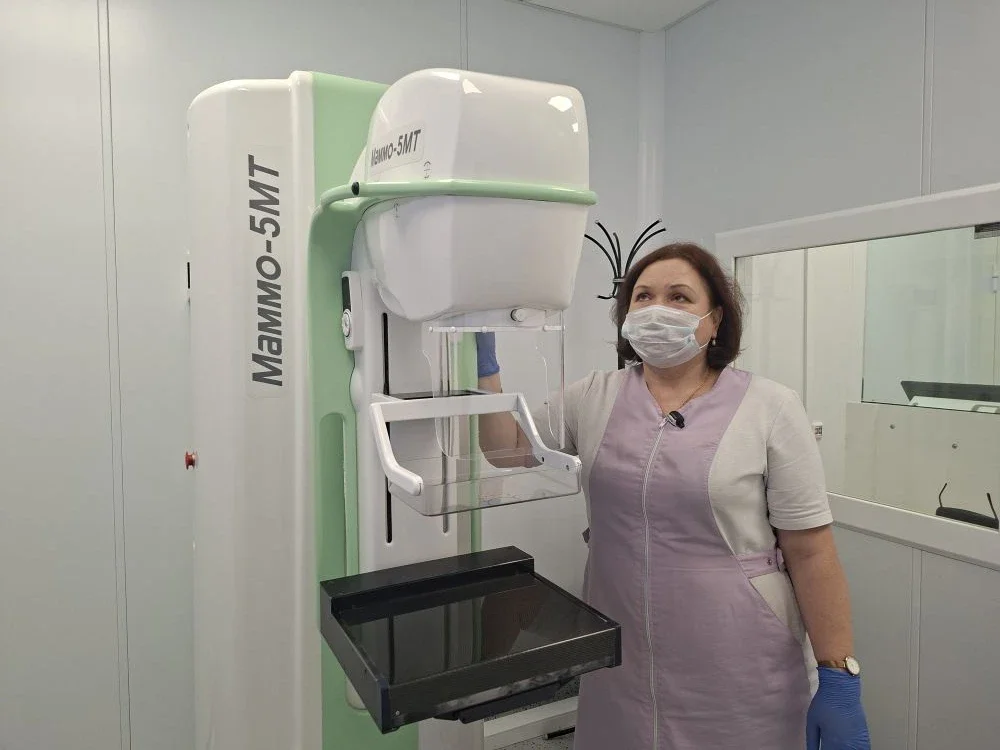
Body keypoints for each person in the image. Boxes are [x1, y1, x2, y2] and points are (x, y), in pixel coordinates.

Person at [474, 242, 871, 750]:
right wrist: (484, 363)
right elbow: (507, 451)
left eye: (679, 297)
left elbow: (811, 551)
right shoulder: (593, 396)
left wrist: (838, 672)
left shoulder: (770, 408)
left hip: (739, 656)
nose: (657, 308)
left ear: (715, 319)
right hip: (622, 649)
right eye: (643, 296)